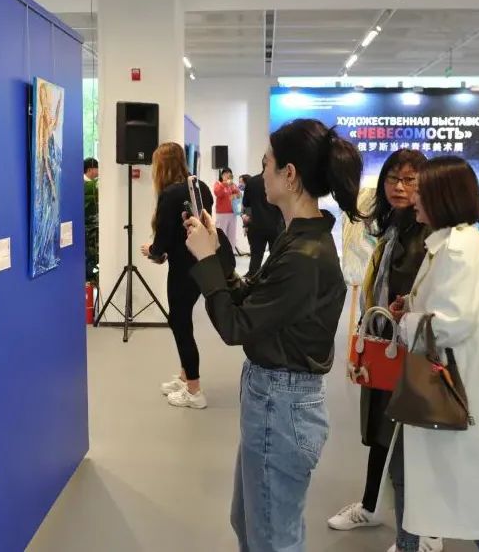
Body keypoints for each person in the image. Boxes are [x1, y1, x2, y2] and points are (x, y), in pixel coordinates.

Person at [183, 119, 363, 552]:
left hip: (281, 405)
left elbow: (235, 326)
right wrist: (217, 254)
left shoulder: (305, 255)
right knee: (252, 523)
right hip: (272, 399)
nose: (260, 172)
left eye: (266, 163)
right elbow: (253, 301)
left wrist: (206, 263)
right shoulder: (298, 240)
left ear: (289, 174)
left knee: (271, 538)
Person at [387, 156, 479, 552]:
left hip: (461, 389)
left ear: (442, 197)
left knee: (474, 497)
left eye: (420, 190)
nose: (412, 197)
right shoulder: (453, 243)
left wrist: (406, 323)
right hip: (461, 383)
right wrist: (414, 306)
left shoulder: (457, 250)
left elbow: (451, 324)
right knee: (472, 498)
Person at [328, 150, 436, 552]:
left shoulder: (433, 233)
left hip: (417, 349)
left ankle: (427, 532)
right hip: (385, 344)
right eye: (393, 178)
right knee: (380, 432)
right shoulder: (394, 226)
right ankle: (372, 505)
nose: (399, 187)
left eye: (409, 180)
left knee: (415, 441)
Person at [140, 143, 214, 410]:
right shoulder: (201, 187)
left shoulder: (169, 194)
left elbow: (164, 237)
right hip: (202, 264)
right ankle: (185, 377)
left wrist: (153, 251)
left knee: (180, 324)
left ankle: (194, 390)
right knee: (182, 321)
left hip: (182, 269)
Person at [242, 161, 284, 276]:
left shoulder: (252, 181)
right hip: (275, 226)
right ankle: (274, 282)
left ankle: (252, 283)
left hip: (256, 225)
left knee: (255, 258)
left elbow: (246, 203)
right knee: (276, 258)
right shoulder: (279, 181)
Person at [214, 167, 241, 254]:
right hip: (222, 214)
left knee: (232, 236)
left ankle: (231, 253)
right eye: (225, 174)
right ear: (222, 175)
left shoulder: (232, 185)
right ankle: (220, 254)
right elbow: (218, 193)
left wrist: (234, 192)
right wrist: (224, 184)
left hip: (232, 213)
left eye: (229, 174)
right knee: (221, 234)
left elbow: (239, 195)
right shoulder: (218, 184)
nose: (227, 176)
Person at [84, 159, 99, 283]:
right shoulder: (88, 186)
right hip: (89, 227)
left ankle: (92, 276)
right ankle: (91, 277)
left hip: (93, 226)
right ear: (90, 169)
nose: (98, 171)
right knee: (90, 253)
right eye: (97, 168)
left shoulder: (93, 184)